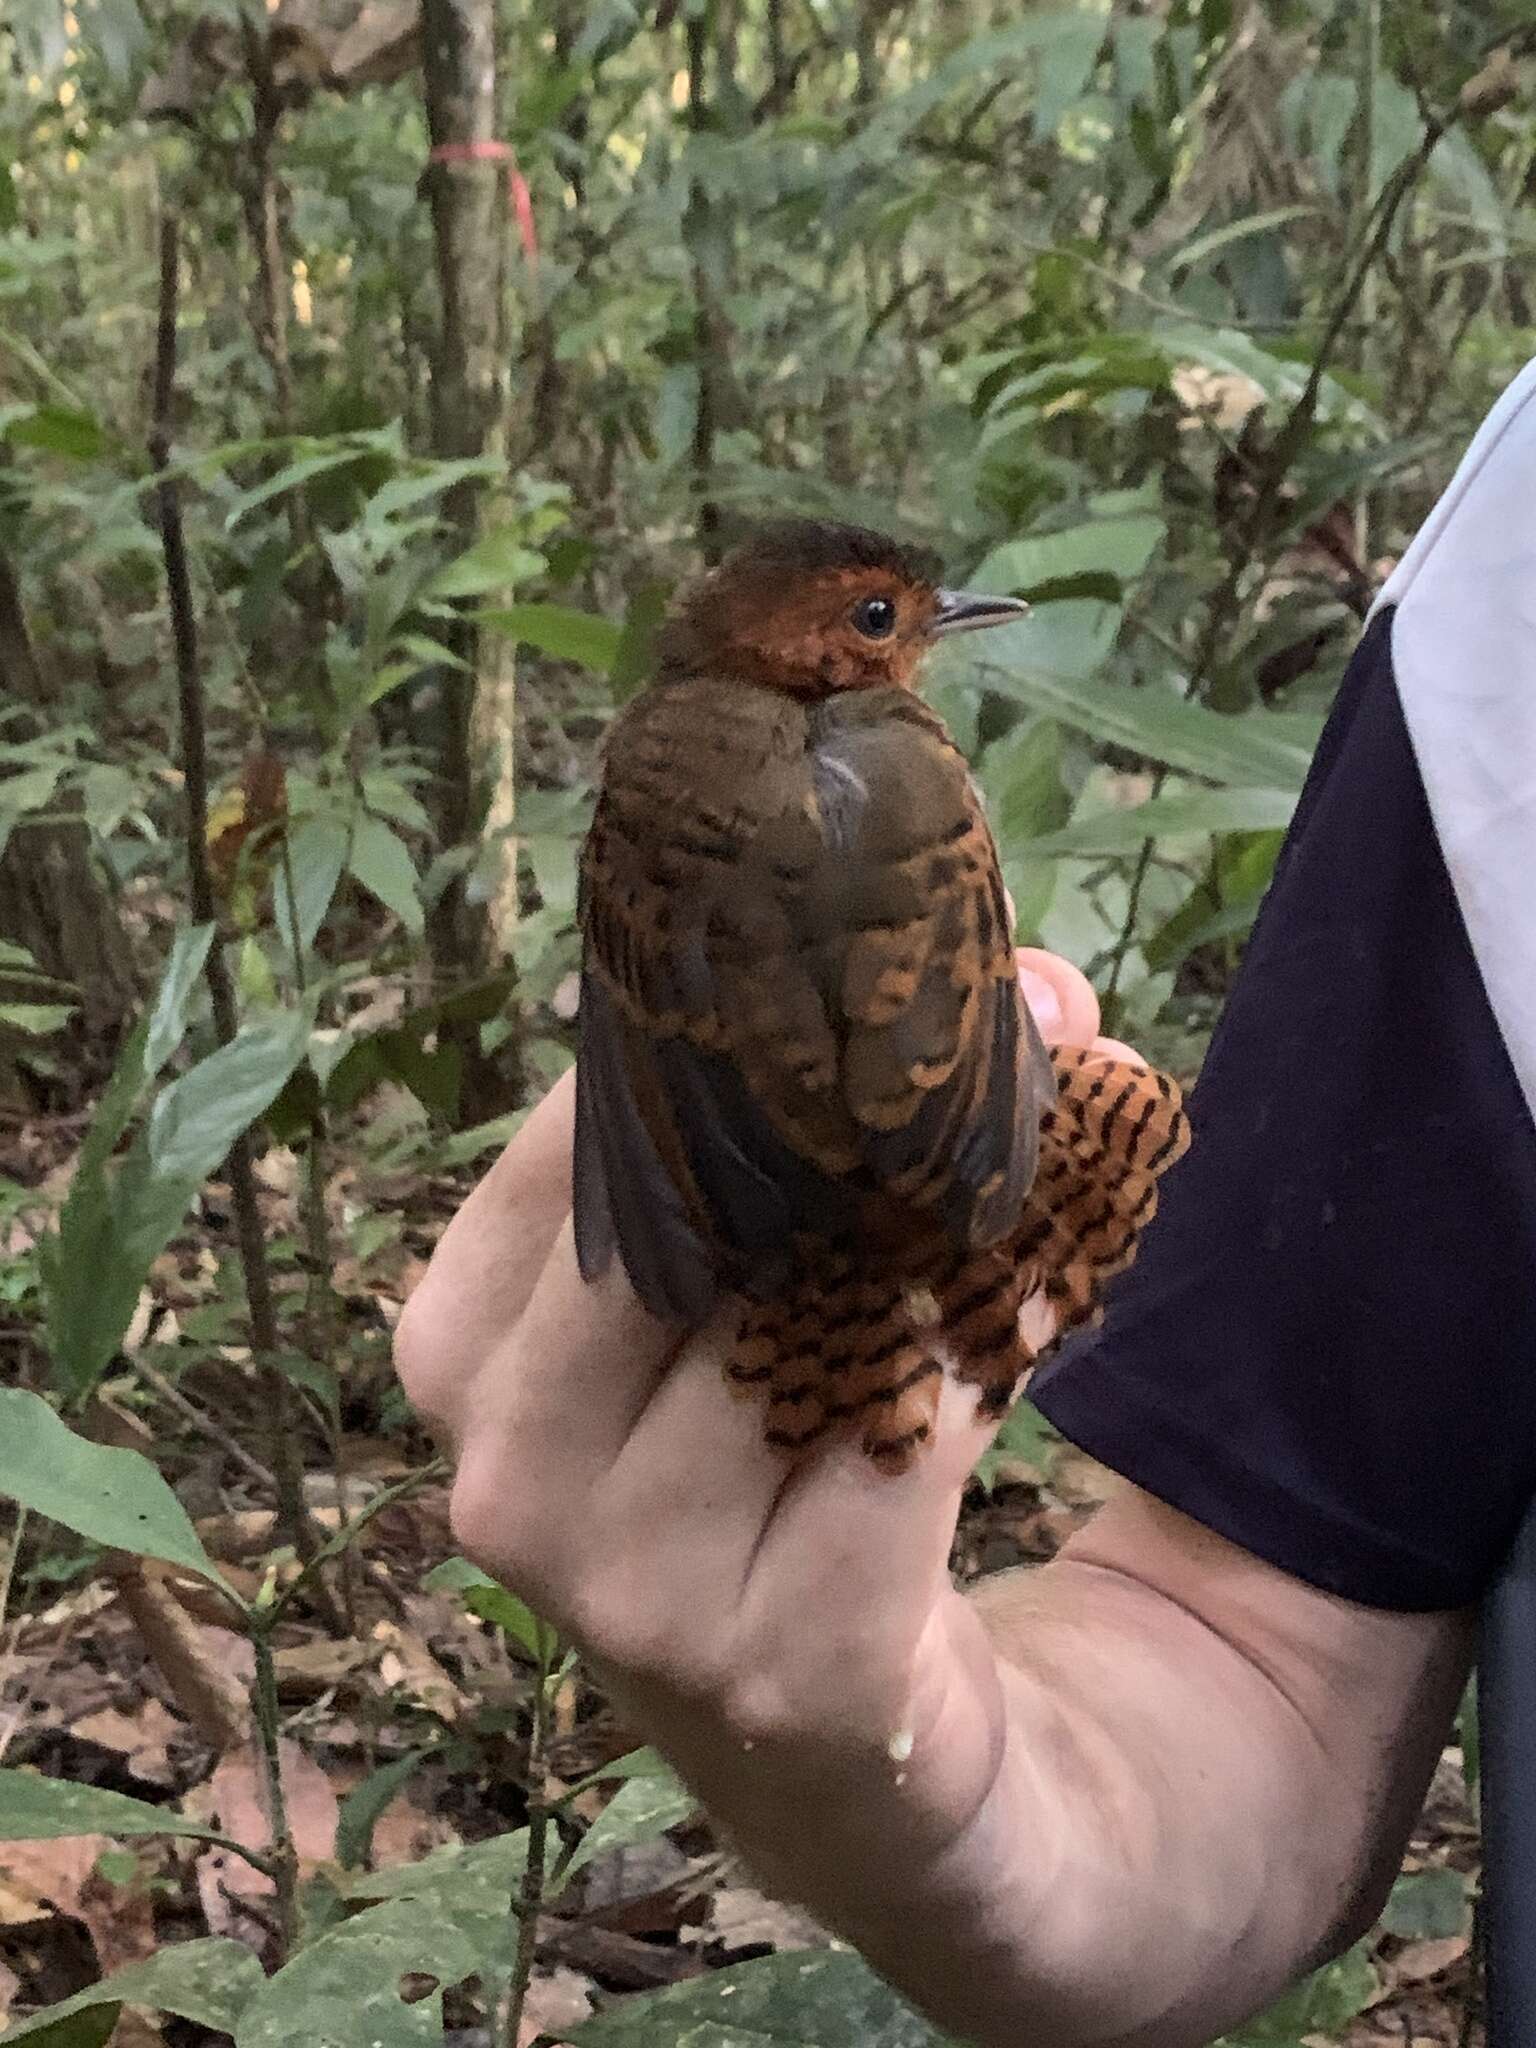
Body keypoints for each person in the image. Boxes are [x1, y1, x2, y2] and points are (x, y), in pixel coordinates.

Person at [395, 360, 1536, 2048]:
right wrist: (970, 1808)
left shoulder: (717, 772)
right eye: (882, 616)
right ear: (807, 643)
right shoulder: (1493, 644)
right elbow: (1258, 1648)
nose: (920, 637)